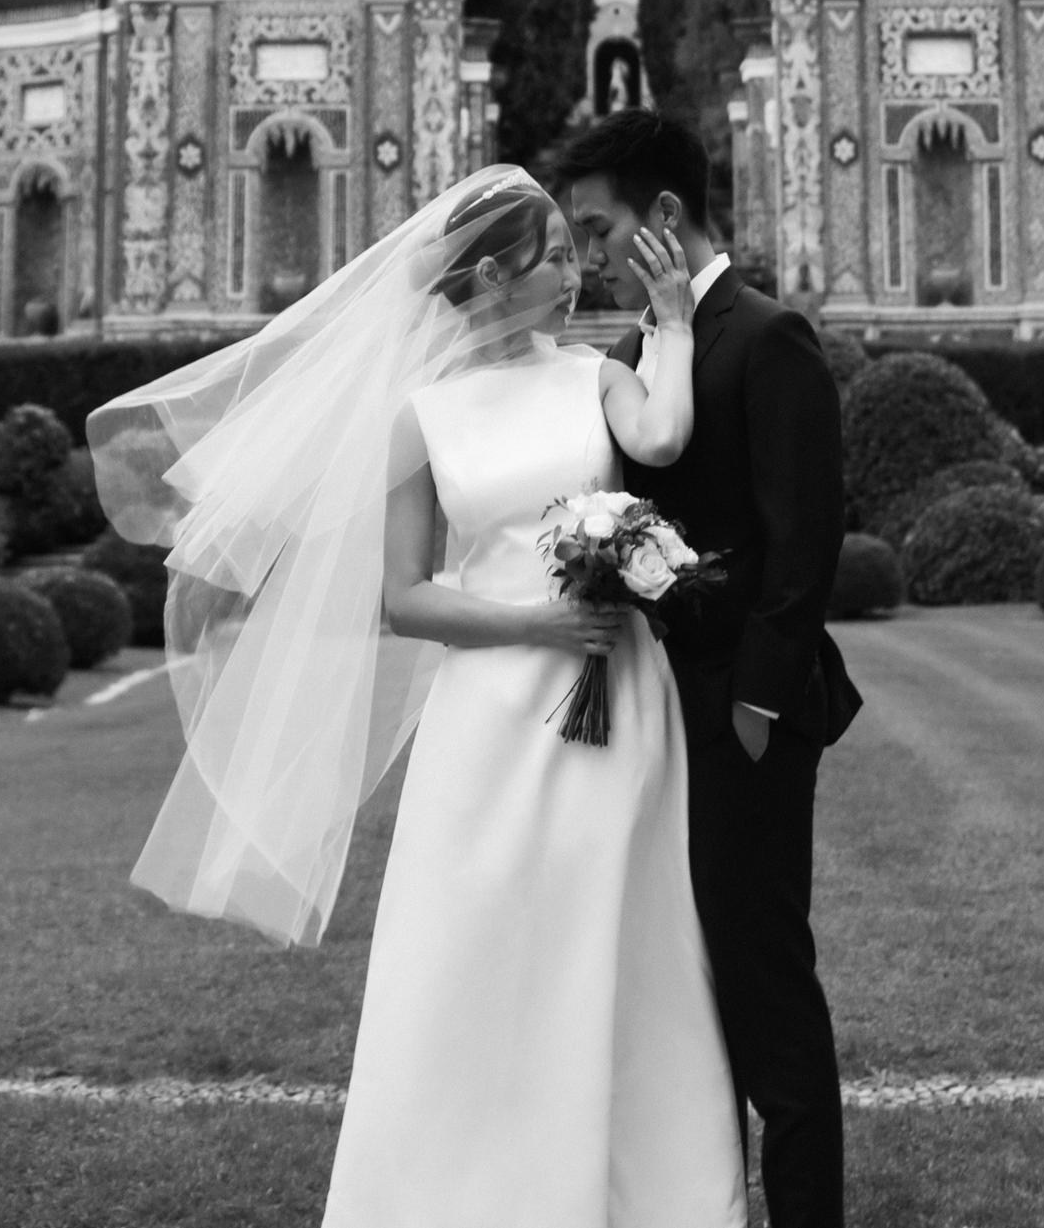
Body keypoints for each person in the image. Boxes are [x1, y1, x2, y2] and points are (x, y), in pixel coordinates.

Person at [87, 167, 748, 1228]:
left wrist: (667, 323)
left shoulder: (594, 374)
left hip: (617, 707)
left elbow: (663, 439)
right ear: (490, 276)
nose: (574, 277)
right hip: (486, 718)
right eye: (553, 259)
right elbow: (403, 599)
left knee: (625, 939)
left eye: (574, 258)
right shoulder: (419, 416)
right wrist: (534, 623)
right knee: (475, 956)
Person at [554, 110, 859, 1228]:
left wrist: (754, 704)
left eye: (596, 229)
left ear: (664, 218)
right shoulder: (644, 352)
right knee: (684, 991)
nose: (582, 256)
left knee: (765, 983)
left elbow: (803, 539)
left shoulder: (765, 335)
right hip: (652, 721)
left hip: (743, 717)